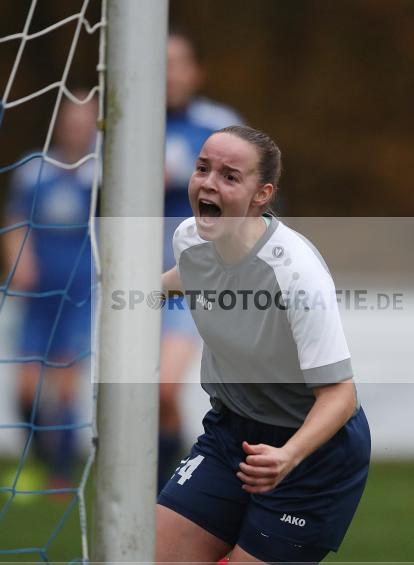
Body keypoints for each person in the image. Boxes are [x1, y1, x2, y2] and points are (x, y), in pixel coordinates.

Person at [155, 126, 371, 565]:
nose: (209, 184)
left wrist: (288, 457)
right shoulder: (189, 237)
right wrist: (138, 291)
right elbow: (192, 274)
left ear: (261, 195)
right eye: (202, 168)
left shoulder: (295, 272)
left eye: (230, 177)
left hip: (311, 460)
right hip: (230, 437)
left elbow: (341, 396)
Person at [159, 29, 244, 484]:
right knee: (129, 396)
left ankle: (169, 488)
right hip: (131, 280)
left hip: (192, 278)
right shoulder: (121, 124)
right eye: (161, 63)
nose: (169, 74)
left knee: (163, 389)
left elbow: (250, 193)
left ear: (196, 72)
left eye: (177, 63)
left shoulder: (218, 124)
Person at [2, 94, 97, 489]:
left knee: (65, 380)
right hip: (38, 292)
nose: (76, 127)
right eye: (70, 120)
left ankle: (61, 474)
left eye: (84, 120)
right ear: (59, 125)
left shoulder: (102, 172)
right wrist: (17, 263)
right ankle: (37, 461)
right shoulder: (32, 171)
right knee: (25, 386)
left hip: (79, 292)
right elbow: (14, 221)